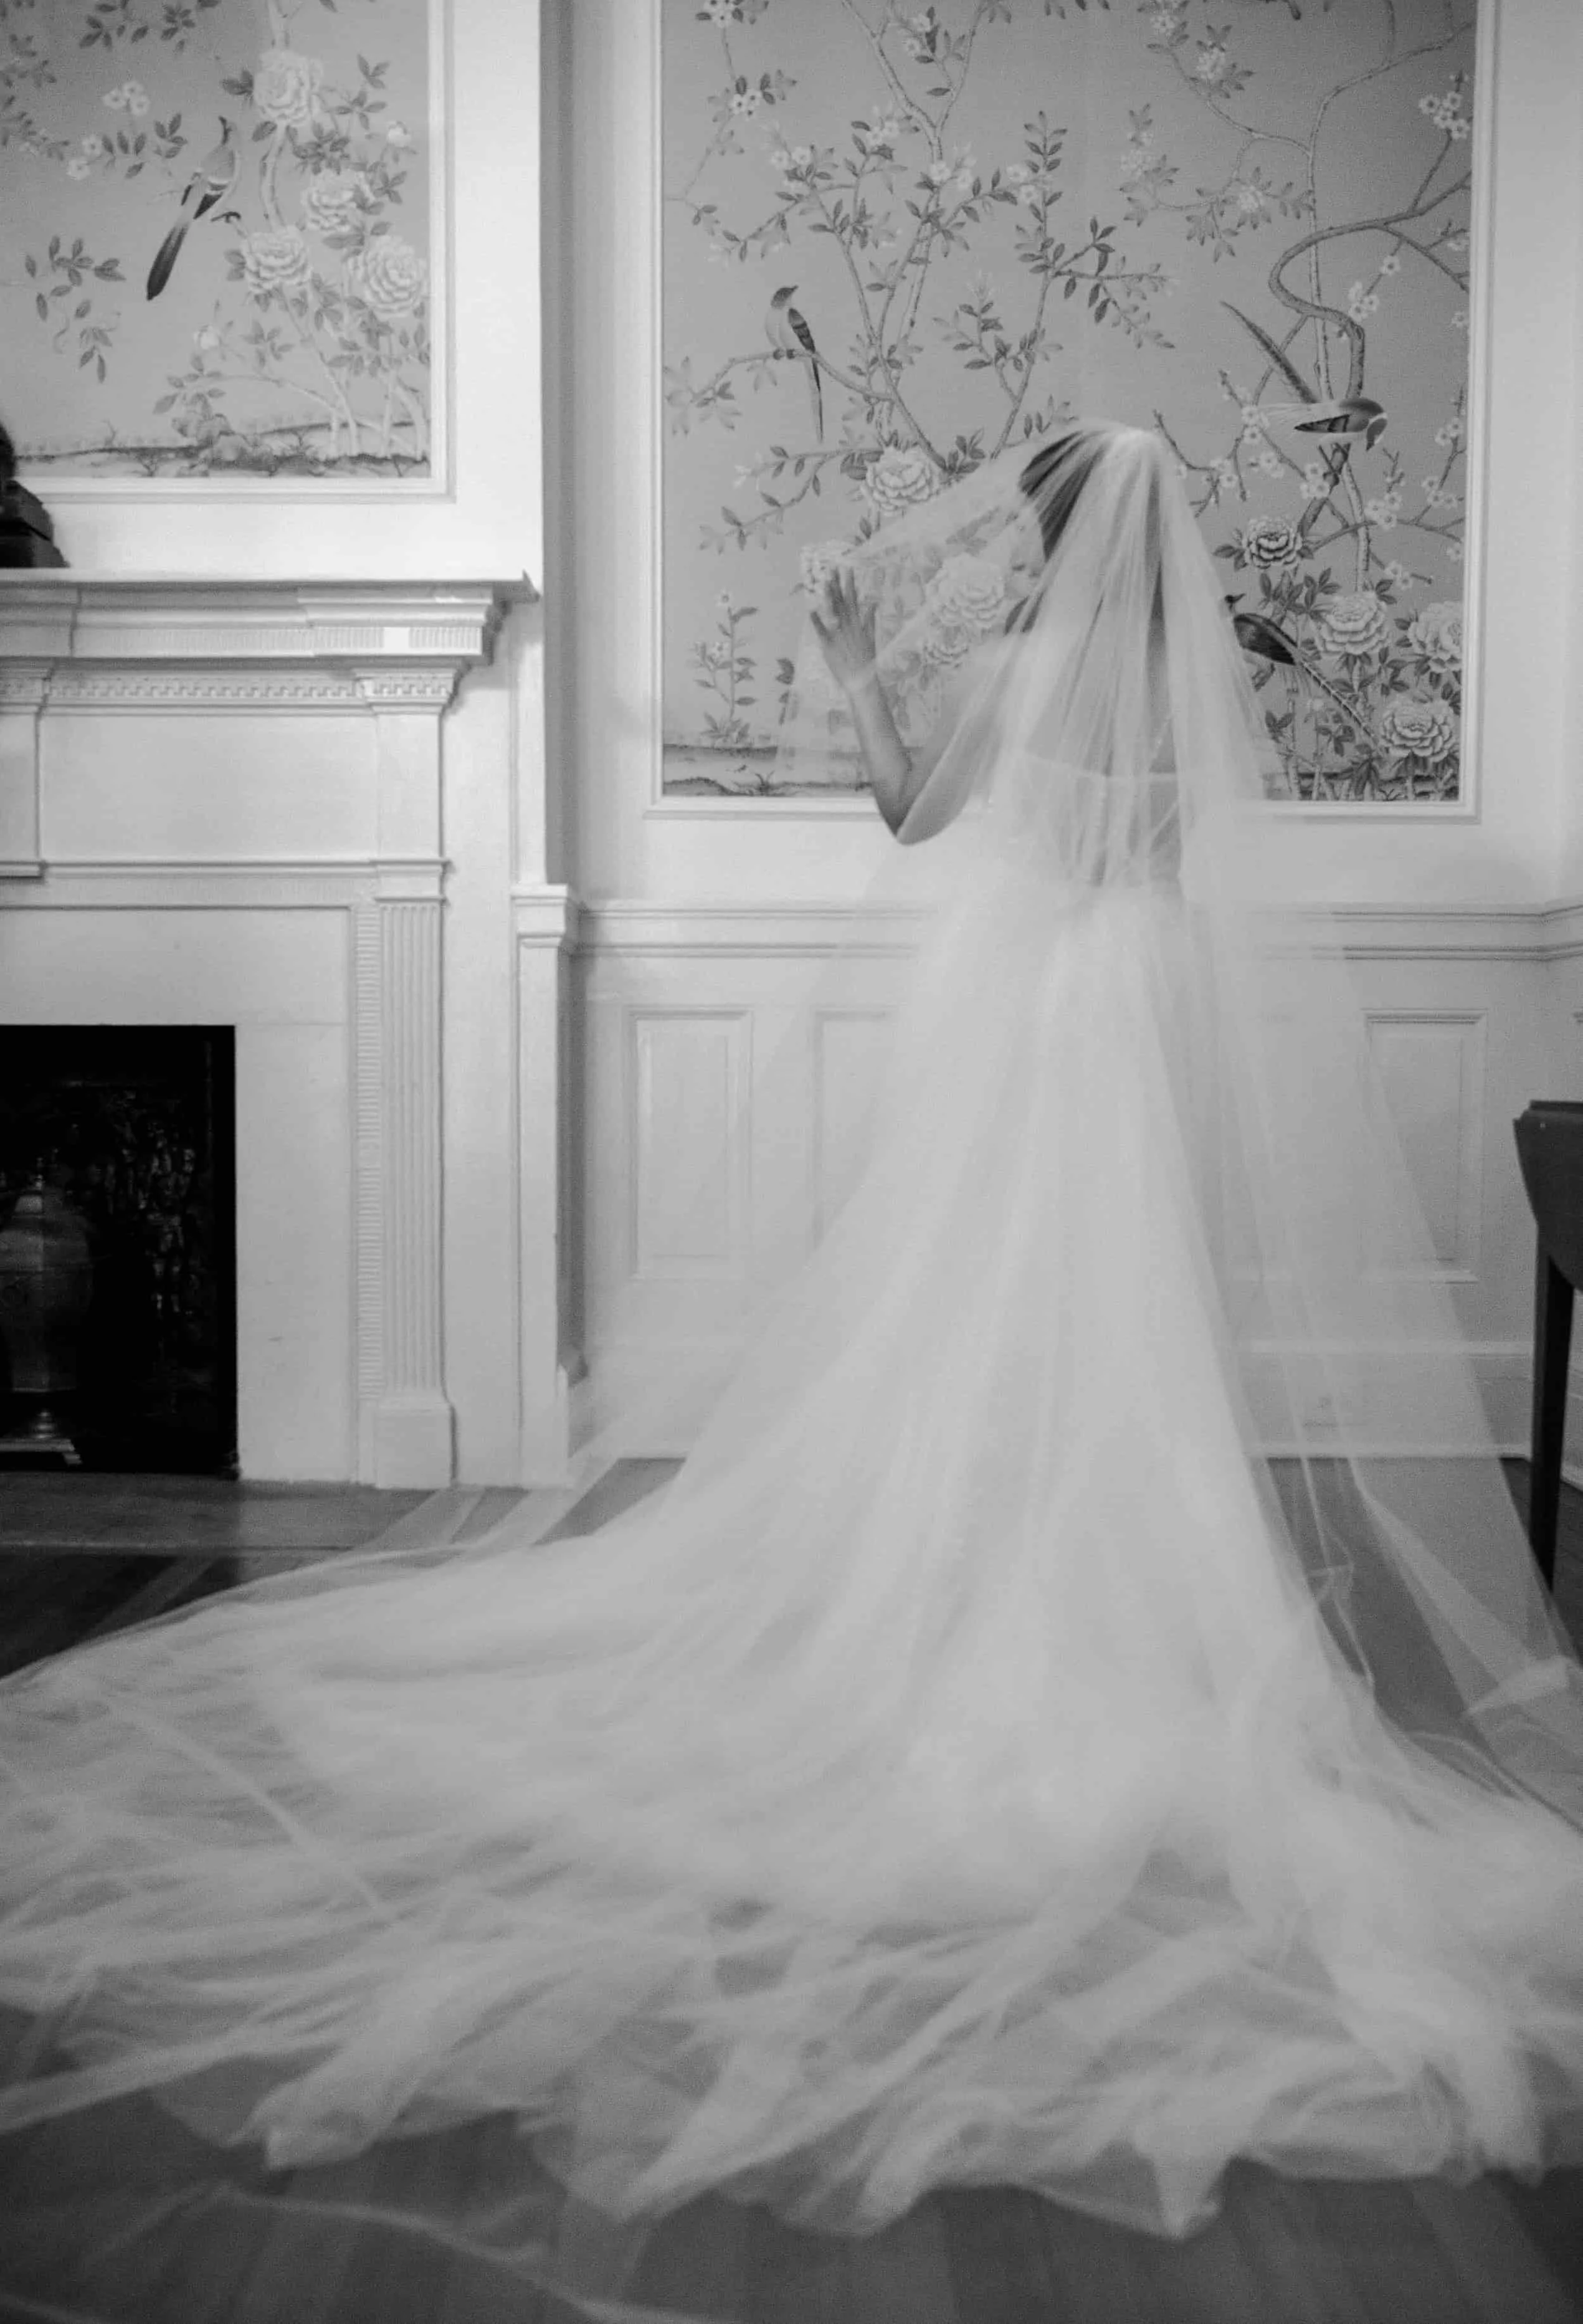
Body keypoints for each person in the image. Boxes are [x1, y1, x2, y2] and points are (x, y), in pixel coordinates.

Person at [1, 424, 1582, 2324]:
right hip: (1123, 1027)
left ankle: (956, 1599)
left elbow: (917, 819)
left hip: (1021, 1028)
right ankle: (1140, 1617)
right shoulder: (1194, 684)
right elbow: (1170, 870)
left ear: (1055, 541)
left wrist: (850, 662)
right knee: (1122, 1325)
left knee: (978, 1317)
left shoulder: (1008, 671)